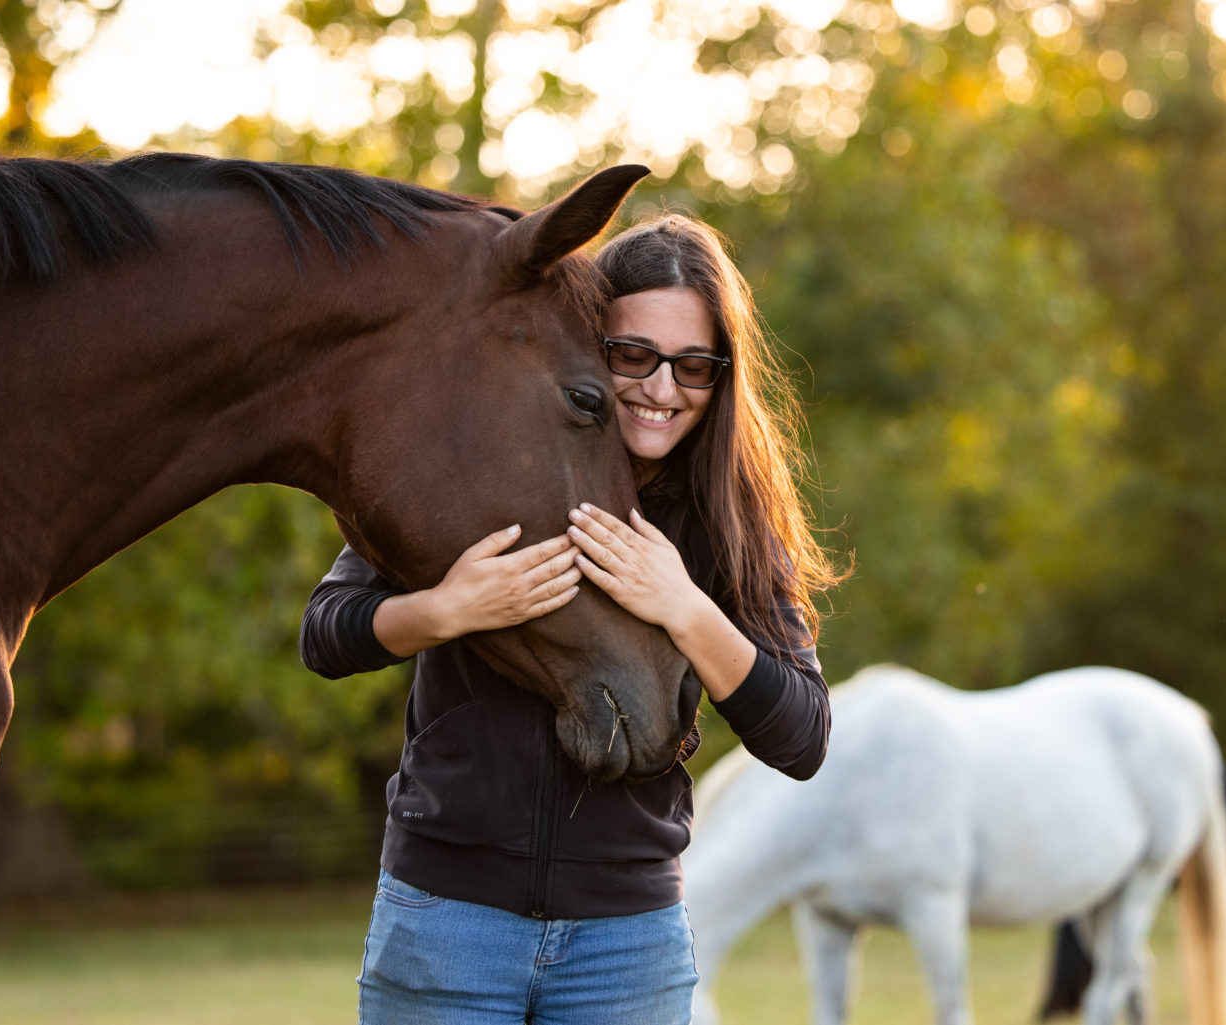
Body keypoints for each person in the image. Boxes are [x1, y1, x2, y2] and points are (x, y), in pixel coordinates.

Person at [299, 213, 845, 1024]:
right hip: (447, 920)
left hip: (626, 942)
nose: (662, 389)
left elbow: (802, 737)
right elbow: (326, 634)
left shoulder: (729, 516)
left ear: (722, 375)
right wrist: (449, 608)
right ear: (589, 342)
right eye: (634, 355)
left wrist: (685, 607)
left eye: (693, 366)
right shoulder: (484, 460)